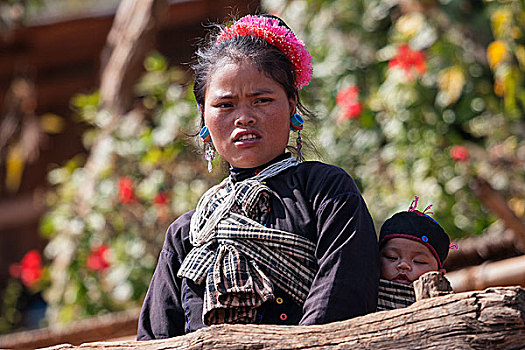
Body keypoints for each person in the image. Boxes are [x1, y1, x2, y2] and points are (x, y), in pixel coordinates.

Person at [137, 14, 379, 340]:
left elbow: (345, 291)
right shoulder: (186, 235)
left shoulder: (327, 192)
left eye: (262, 100)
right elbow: (156, 339)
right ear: (204, 119)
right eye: (225, 105)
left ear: (293, 104)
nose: (244, 118)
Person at [377, 196, 450, 311]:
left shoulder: (444, 307)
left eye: (418, 261)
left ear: (440, 274)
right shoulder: (364, 294)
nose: (403, 265)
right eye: (392, 257)